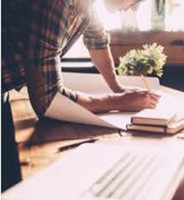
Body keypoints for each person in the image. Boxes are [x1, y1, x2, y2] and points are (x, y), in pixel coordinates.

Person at [2, 0, 160, 190]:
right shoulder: (57, 3)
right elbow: (48, 100)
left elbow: (97, 42)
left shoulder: (87, 4)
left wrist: (117, 87)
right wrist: (120, 102)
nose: (134, 7)